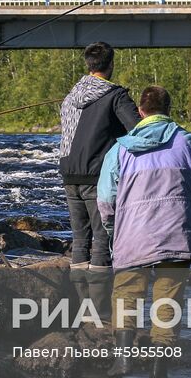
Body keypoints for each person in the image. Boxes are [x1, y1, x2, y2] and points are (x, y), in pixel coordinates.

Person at [97, 85, 191, 378]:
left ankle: (123, 362)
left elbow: (105, 200)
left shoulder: (120, 149)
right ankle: (159, 369)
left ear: (140, 112)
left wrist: (114, 230)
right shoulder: (186, 141)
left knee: (126, 295)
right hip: (176, 232)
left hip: (133, 235)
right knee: (168, 301)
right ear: (168, 109)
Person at [59, 42, 139, 275]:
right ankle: (99, 303)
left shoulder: (71, 95)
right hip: (97, 175)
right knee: (102, 239)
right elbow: (137, 129)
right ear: (111, 63)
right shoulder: (115, 95)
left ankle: (82, 300)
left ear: (88, 64)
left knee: (80, 240)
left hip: (69, 174)